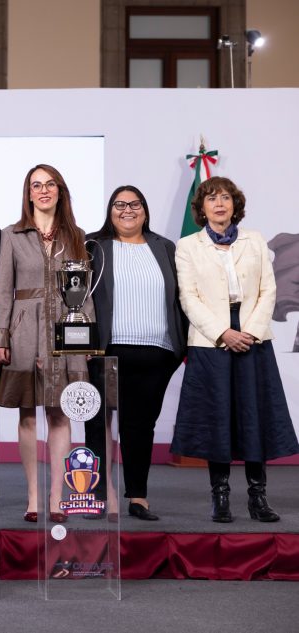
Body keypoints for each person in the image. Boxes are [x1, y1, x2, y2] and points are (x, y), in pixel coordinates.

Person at [171, 176, 299, 522]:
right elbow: (188, 298)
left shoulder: (254, 240)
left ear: (235, 205)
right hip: (211, 340)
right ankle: (221, 496)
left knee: (254, 414)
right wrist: (223, 333)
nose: (219, 203)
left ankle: (258, 497)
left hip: (253, 337)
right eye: (212, 198)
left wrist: (250, 331)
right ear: (202, 208)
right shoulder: (188, 245)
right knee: (217, 416)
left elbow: (268, 290)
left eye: (226, 197)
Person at [0, 164, 90, 524]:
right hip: (23, 335)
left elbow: (84, 293)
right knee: (28, 414)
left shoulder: (76, 235)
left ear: (60, 191)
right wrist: (0, 336)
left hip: (65, 332)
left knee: (60, 414)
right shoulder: (11, 235)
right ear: (28, 193)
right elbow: (3, 290)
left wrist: (87, 339)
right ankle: (33, 496)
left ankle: (56, 497)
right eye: (36, 185)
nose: (43, 190)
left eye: (50, 184)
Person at [86, 186, 186, 521]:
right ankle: (97, 495)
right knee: (97, 424)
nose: (127, 210)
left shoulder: (164, 247)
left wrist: (178, 350)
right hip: (106, 350)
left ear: (145, 210)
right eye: (119, 204)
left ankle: (138, 497)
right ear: (109, 210)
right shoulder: (93, 246)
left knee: (140, 427)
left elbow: (179, 297)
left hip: (158, 352)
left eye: (135, 204)